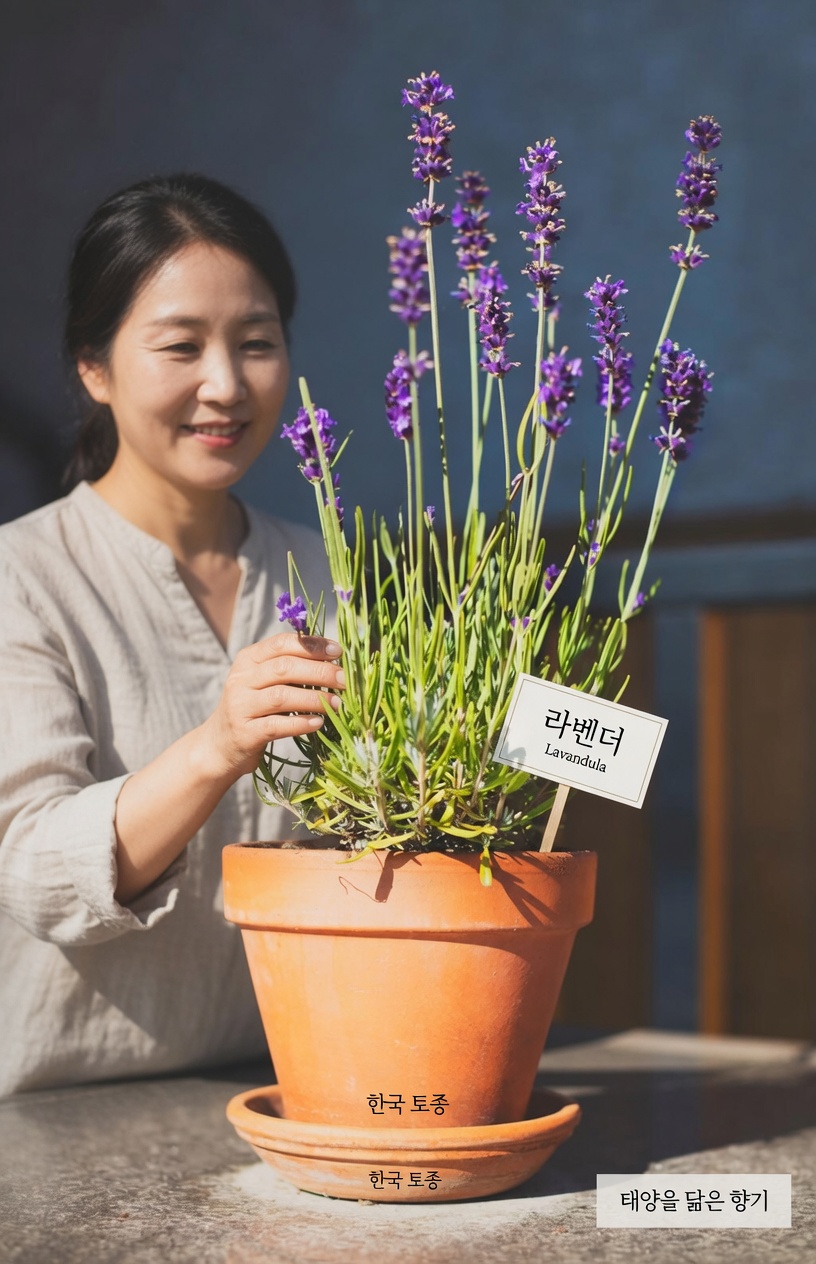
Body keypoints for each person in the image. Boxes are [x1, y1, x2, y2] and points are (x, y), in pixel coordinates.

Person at [0, 174, 344, 1096]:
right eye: (181, 346)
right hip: (61, 1114)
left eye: (257, 343)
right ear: (94, 367)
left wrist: (569, 730)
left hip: (297, 1085)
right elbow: (31, 869)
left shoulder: (332, 570)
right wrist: (216, 747)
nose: (225, 385)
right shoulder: (22, 578)